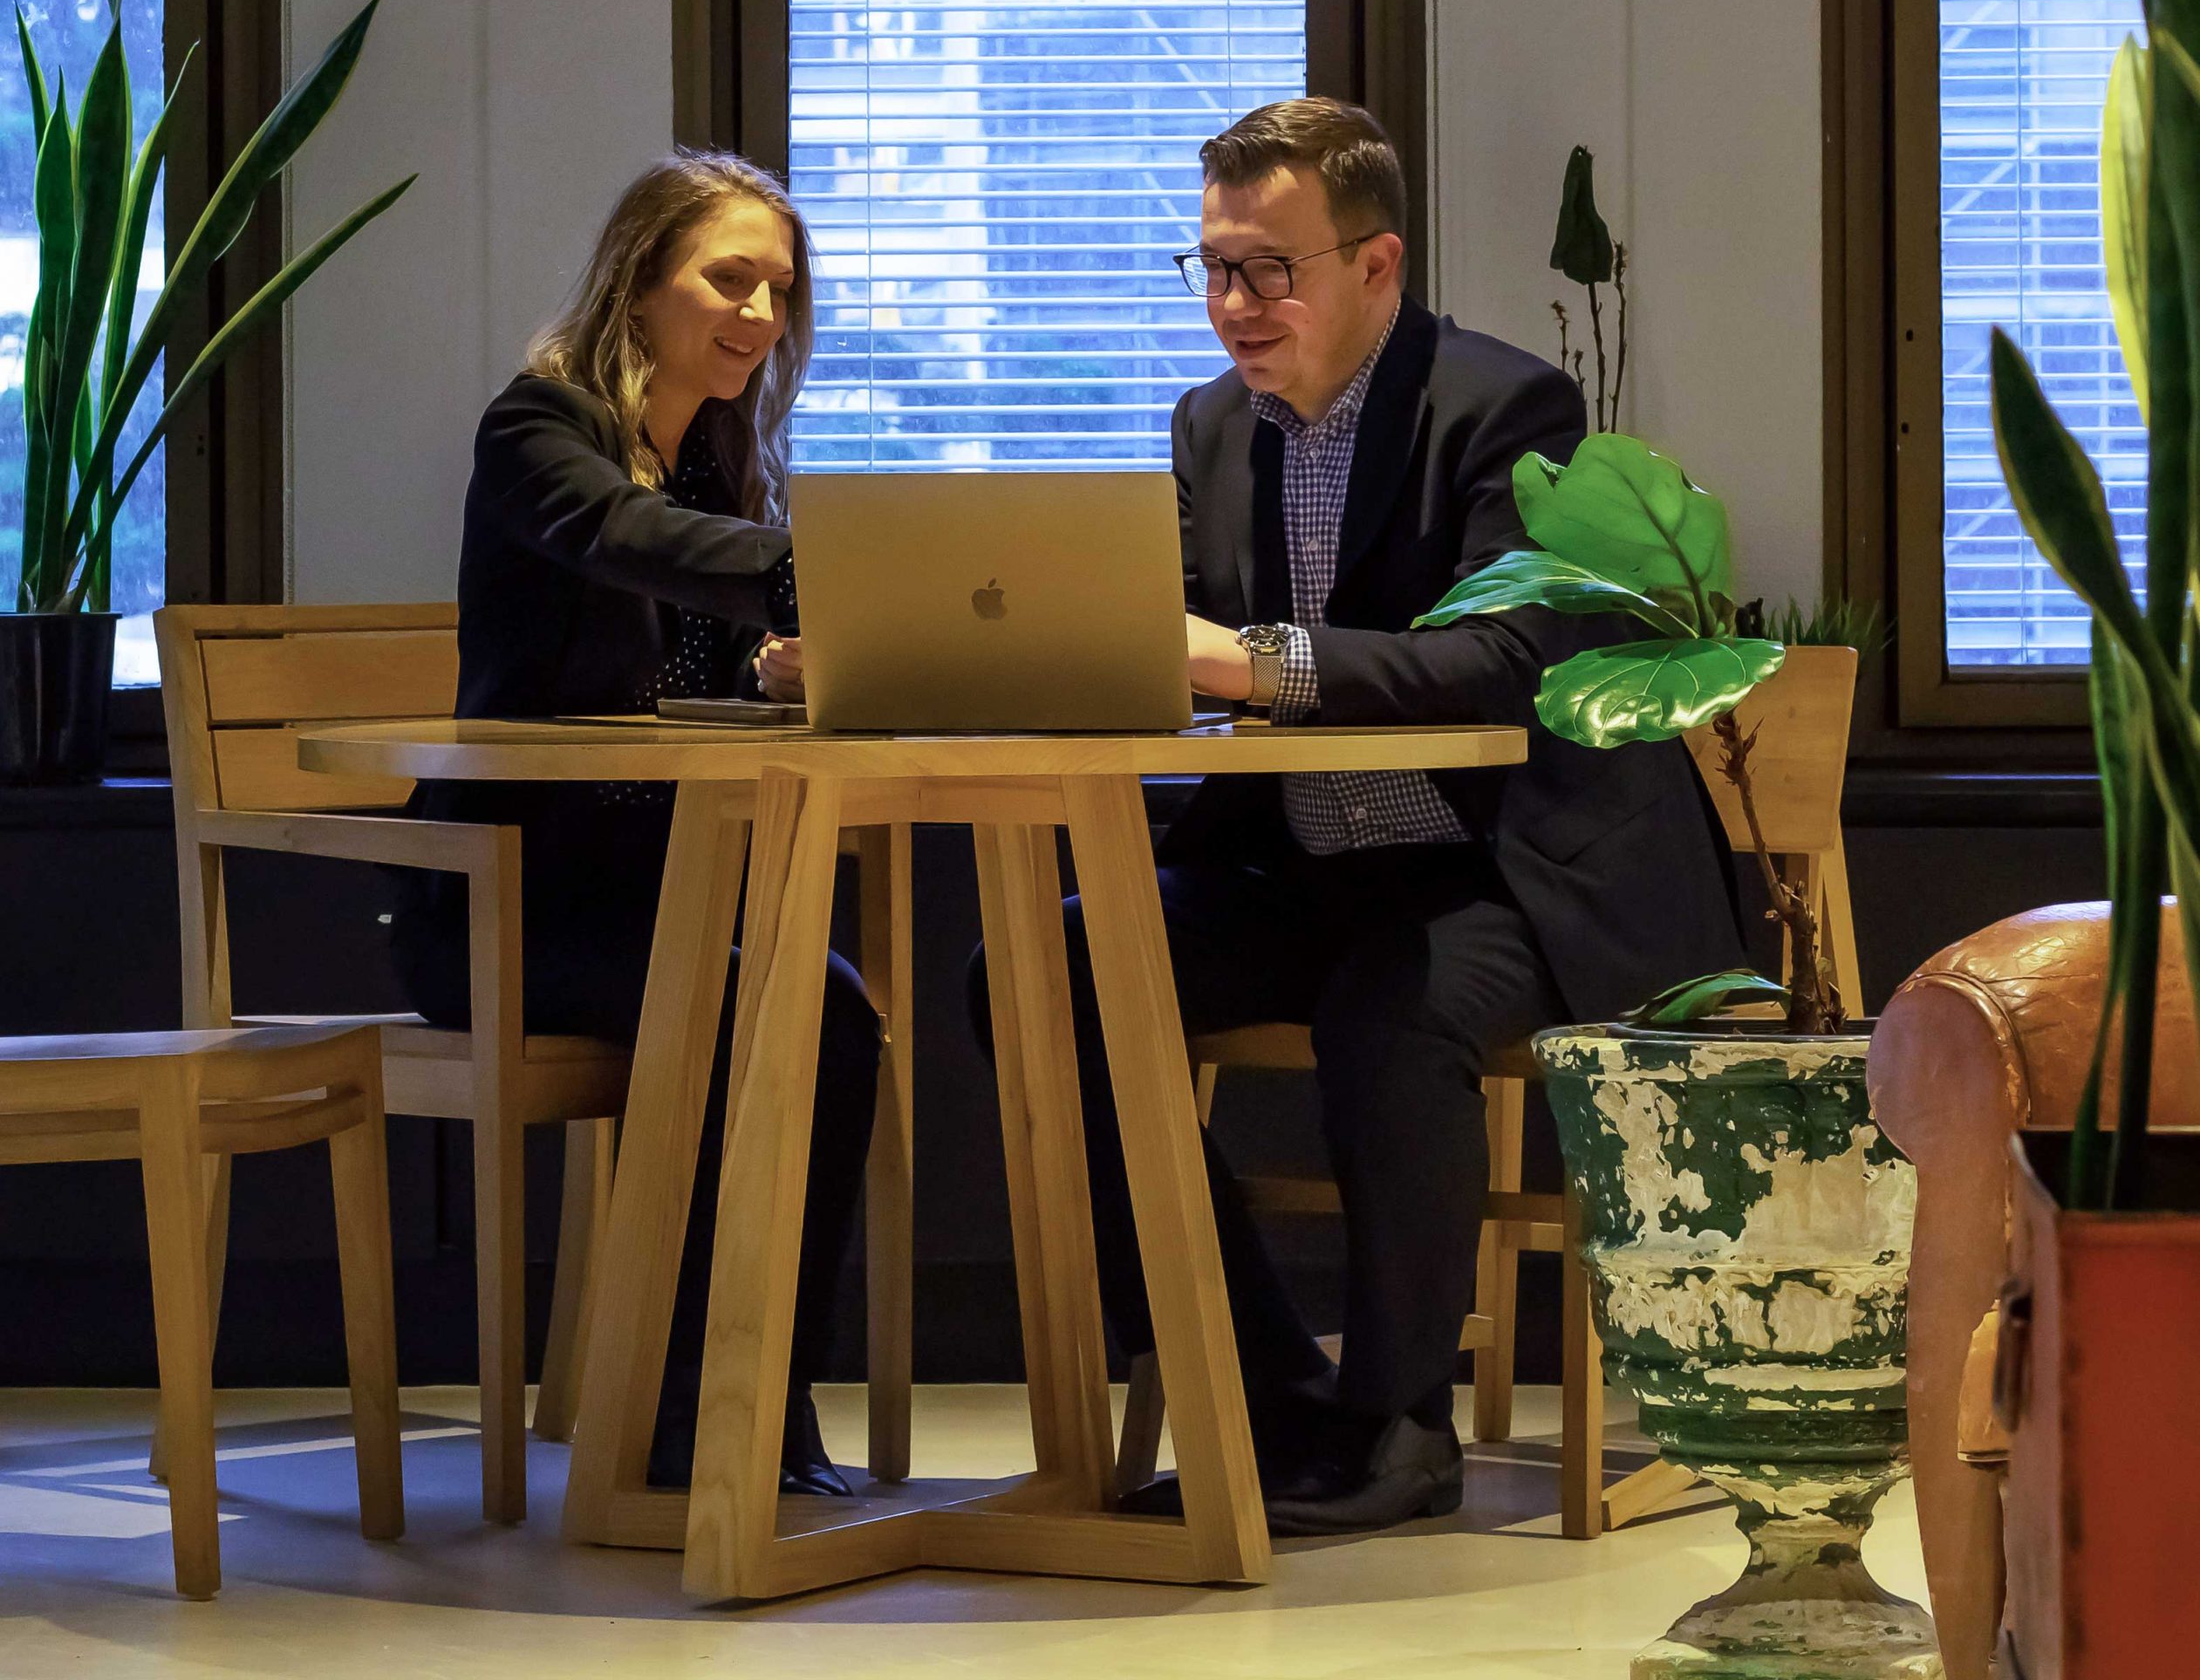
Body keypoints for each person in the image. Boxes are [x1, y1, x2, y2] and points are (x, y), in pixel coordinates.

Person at [973, 97, 1742, 1536]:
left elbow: (1507, 660)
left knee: (1393, 1008)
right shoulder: (1209, 425)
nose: (1233, 305)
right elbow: (1169, 645)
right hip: (1302, 857)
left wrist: (1246, 659)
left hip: (1504, 867)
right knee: (1037, 970)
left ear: (1375, 266)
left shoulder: (1510, 409)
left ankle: (1397, 1423)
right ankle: (1256, 1393)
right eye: (1211, 267)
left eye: (1270, 269)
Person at [389, 148, 879, 1494]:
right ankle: (688, 1425)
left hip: (657, 903)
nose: (762, 316)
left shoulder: (721, 458)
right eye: (731, 279)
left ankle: (753, 1404)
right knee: (762, 1009)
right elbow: (624, 542)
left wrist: (775, 671)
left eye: (781, 289)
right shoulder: (537, 428)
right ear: (638, 281)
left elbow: (692, 661)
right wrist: (842, 569)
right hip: (500, 912)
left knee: (829, 1009)